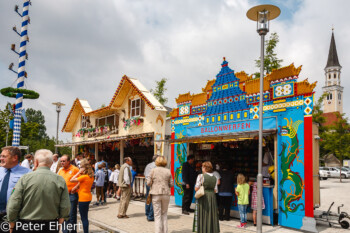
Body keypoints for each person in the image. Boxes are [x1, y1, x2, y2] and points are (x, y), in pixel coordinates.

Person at [7, 149, 70, 233]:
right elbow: (65, 204)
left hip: (26, 224)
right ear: (51, 163)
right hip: (50, 224)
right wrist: (61, 221)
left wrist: (11, 223)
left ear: (35, 162)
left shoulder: (25, 178)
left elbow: (14, 203)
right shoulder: (60, 180)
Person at [0, 146, 31, 223]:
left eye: (4, 156)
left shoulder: (28, 173)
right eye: (0, 156)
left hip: (16, 217)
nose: (1, 158)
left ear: (14, 158)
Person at [147, 156, 174, 233]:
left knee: (157, 215)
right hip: (166, 193)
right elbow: (171, 184)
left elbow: (148, 183)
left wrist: (153, 182)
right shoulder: (168, 171)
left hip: (155, 193)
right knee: (164, 214)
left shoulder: (153, 170)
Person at [193, 161, 219, 233]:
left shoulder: (201, 176)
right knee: (211, 214)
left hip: (203, 196)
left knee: (203, 213)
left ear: (204, 168)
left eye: (202, 167)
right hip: (212, 197)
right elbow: (215, 190)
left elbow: (196, 188)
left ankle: (202, 230)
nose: (201, 168)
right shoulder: (215, 177)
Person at [70, 159, 94, 233]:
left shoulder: (84, 177)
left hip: (83, 198)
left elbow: (71, 180)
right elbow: (82, 184)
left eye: (80, 167)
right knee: (85, 216)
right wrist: (75, 187)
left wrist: (78, 173)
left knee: (83, 218)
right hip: (88, 196)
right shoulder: (91, 176)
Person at [58, 155, 80, 233]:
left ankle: (73, 231)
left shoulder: (75, 169)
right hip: (62, 196)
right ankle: (65, 231)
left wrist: (75, 188)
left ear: (68, 161)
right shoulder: (60, 170)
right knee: (63, 215)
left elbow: (81, 181)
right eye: (61, 161)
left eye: (64, 161)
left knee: (72, 215)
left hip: (72, 195)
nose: (62, 163)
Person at [144, 155, 157, 222]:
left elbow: (145, 174)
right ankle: (150, 216)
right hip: (152, 183)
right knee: (153, 199)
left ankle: (147, 213)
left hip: (147, 182)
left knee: (148, 198)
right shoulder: (156, 166)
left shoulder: (148, 165)